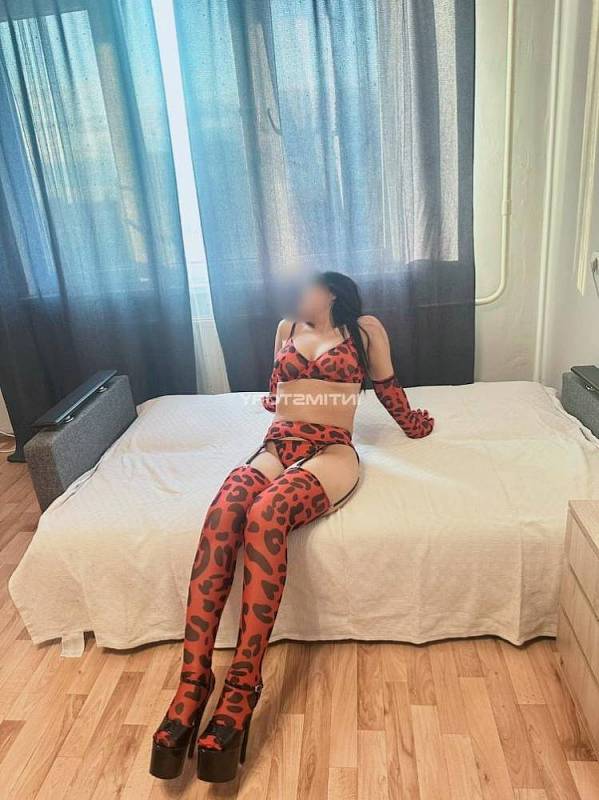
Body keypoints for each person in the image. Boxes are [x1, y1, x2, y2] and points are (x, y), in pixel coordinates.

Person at [150, 271, 434, 783]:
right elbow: (275, 393)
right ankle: (193, 681)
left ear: (331, 292)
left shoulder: (365, 329)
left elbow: (388, 390)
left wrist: (415, 425)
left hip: (331, 450)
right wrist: (281, 405)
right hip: (278, 444)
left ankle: (243, 686)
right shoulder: (285, 327)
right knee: (224, 510)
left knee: (266, 515)